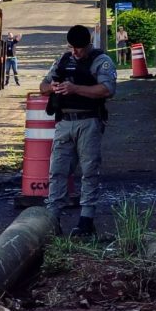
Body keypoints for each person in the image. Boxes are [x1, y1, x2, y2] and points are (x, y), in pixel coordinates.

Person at [39, 25, 116, 237]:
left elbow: (107, 90)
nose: (75, 52)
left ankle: (86, 219)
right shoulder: (64, 60)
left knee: (89, 170)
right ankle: (52, 218)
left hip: (88, 120)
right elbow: (43, 85)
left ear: (88, 44)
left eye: (79, 49)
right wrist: (54, 88)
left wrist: (75, 89)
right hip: (64, 122)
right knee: (58, 170)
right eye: (72, 47)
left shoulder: (101, 61)